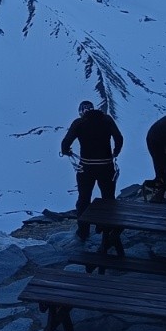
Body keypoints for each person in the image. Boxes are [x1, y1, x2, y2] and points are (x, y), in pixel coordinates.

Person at [60, 99, 123, 242]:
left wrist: (66, 151)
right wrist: (115, 152)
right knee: (108, 198)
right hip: (106, 166)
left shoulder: (79, 123)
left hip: (86, 168)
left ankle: (83, 232)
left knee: (83, 199)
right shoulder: (106, 120)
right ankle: (106, 229)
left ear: (82, 112)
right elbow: (119, 138)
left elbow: (66, 142)